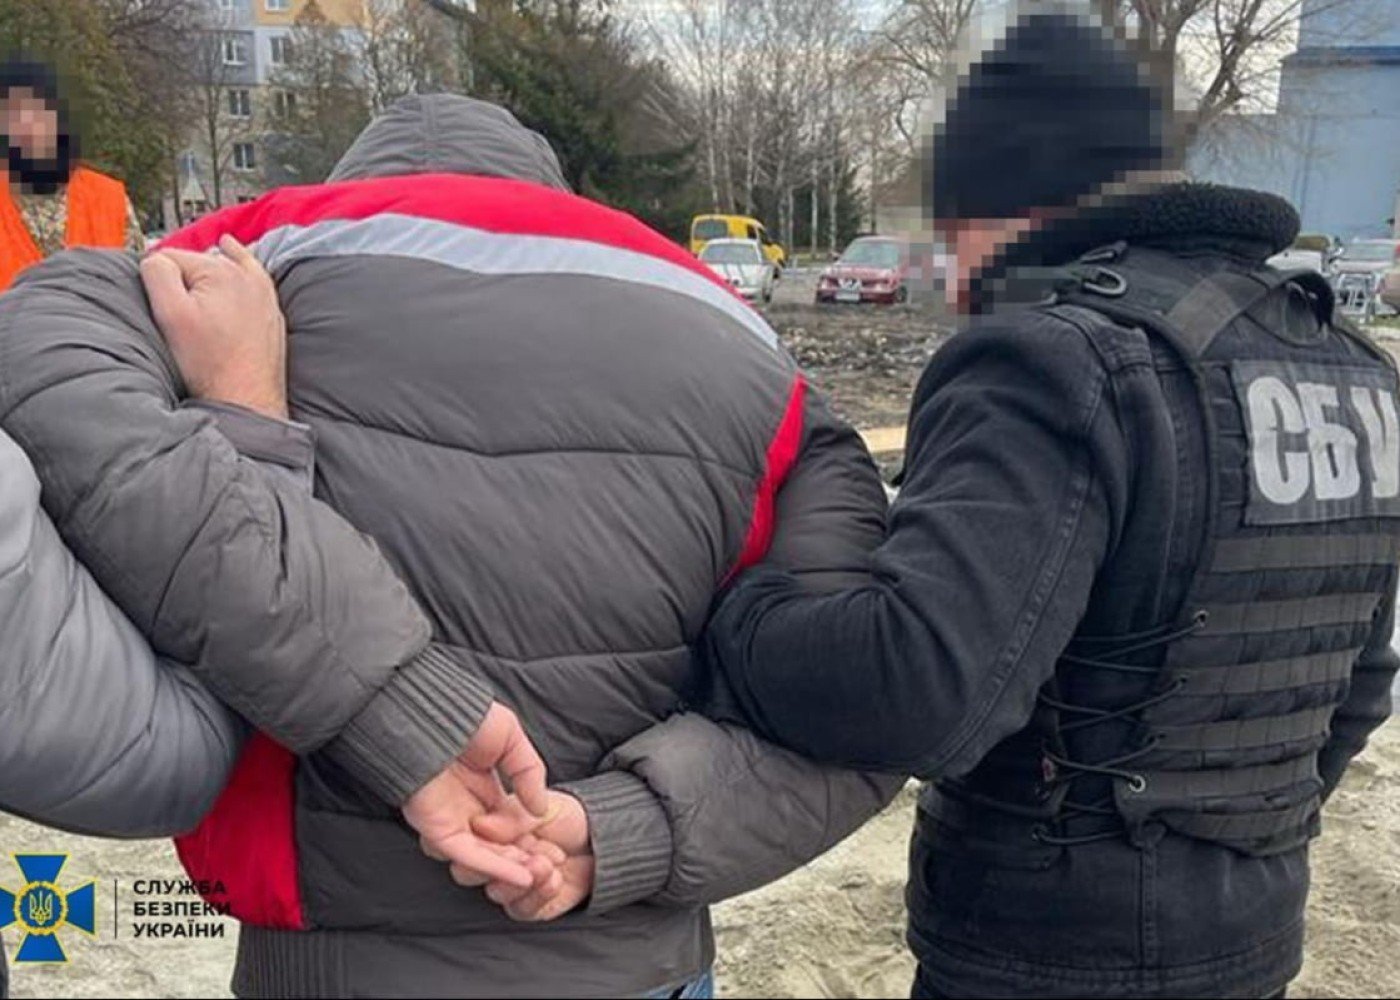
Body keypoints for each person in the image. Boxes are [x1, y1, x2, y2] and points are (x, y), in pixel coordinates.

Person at [0, 94, 899, 998]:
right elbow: (877, 704)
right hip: (638, 964)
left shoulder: (229, 267)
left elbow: (37, 354)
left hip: (325, 970)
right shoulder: (747, 346)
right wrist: (626, 830)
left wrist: (388, 698)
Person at [704, 6, 1400, 999]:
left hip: (1043, 947)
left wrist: (738, 609)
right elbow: (1359, 686)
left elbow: (917, 689)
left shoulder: (1052, 356)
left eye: (951, 222)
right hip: (1248, 936)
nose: (948, 268)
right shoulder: (1349, 366)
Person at [0, 59, 142, 292]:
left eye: (36, 110)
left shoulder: (109, 200)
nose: (26, 124)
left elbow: (138, 292)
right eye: (12, 113)